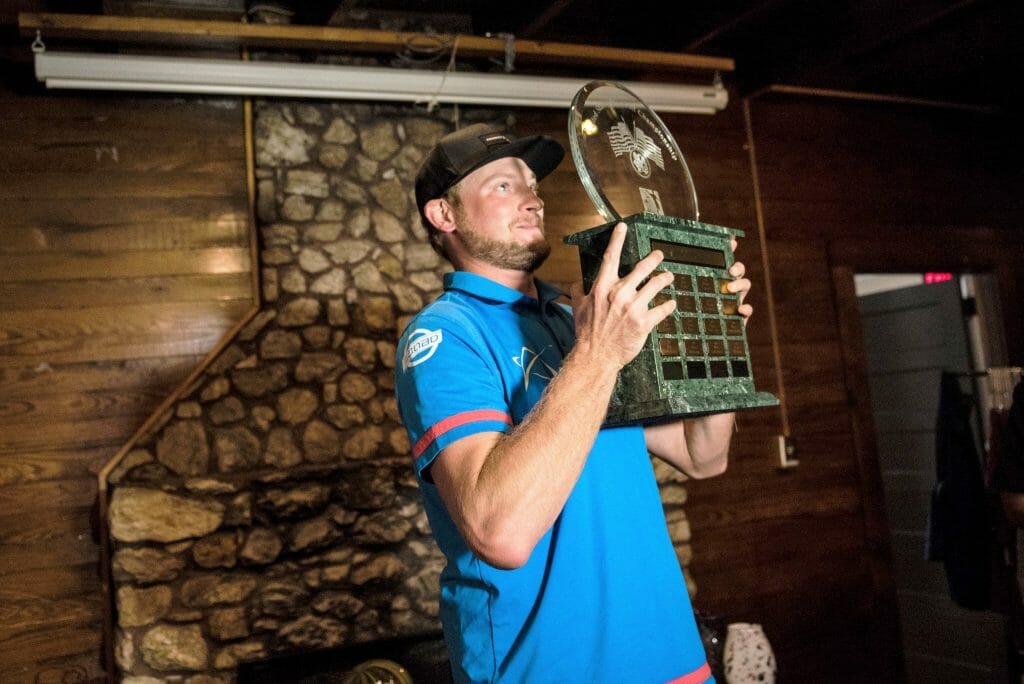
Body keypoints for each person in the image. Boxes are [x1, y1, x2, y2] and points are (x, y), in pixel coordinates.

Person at [395, 123, 752, 683]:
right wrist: (600, 354)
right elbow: (500, 532)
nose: (533, 198)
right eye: (504, 186)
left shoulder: (576, 318)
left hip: (674, 662)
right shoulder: (444, 336)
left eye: (532, 183)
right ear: (444, 215)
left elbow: (702, 454)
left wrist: (714, 337)